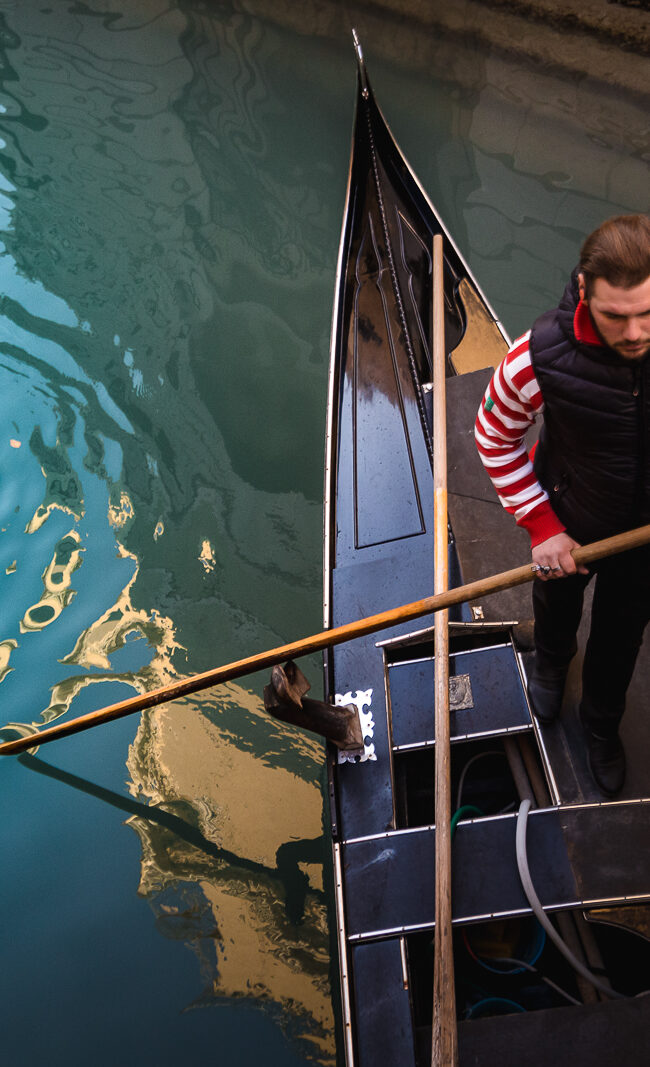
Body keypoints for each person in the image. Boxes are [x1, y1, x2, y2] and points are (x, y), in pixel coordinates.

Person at [475, 214, 650, 797]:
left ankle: (600, 724)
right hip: (568, 519)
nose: (634, 333)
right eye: (616, 316)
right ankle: (550, 665)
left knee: (621, 637)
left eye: (648, 314)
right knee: (556, 605)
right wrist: (543, 525)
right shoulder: (537, 356)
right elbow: (494, 435)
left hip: (645, 539)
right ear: (583, 290)